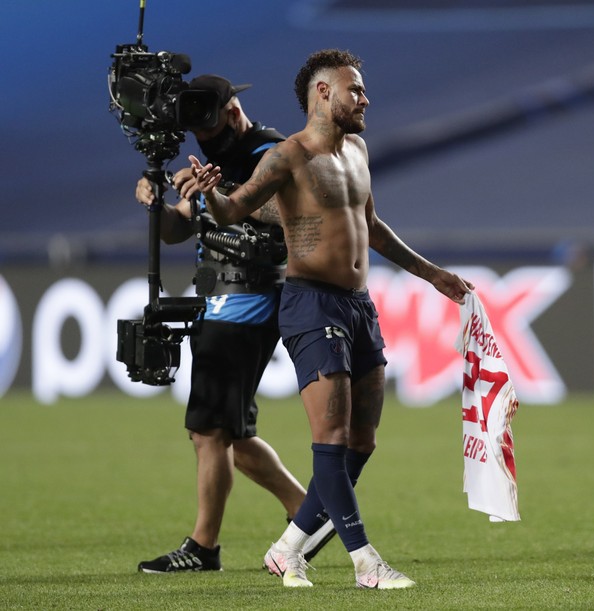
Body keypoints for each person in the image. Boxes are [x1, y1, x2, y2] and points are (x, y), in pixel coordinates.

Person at [186, 49, 474, 589]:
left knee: (362, 442)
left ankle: (289, 547)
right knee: (333, 438)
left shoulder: (358, 150)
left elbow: (371, 225)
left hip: (358, 306)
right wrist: (210, 193)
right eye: (356, 89)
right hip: (311, 303)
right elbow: (236, 208)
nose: (364, 98)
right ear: (324, 93)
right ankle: (366, 563)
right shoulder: (287, 157)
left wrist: (431, 273)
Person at [133, 74, 335, 573]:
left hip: (251, 292)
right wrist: (159, 202)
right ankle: (311, 513)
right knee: (230, 434)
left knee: (208, 428)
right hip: (219, 294)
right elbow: (181, 228)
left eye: (210, 123)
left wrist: (216, 186)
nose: (203, 137)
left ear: (232, 109)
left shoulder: (272, 149)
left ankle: (204, 548)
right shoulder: (211, 160)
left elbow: (290, 214)